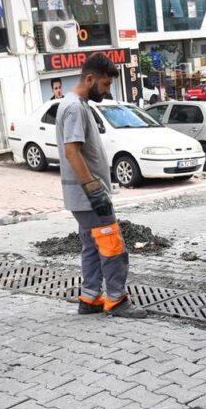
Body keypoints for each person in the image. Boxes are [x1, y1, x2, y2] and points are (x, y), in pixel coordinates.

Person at [56, 54, 147, 319]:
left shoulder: (75, 105)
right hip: (88, 197)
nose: (107, 92)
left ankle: (90, 298)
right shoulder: (74, 107)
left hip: (81, 197)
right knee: (112, 245)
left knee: (92, 246)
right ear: (90, 78)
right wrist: (94, 190)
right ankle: (116, 300)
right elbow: (72, 152)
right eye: (105, 85)